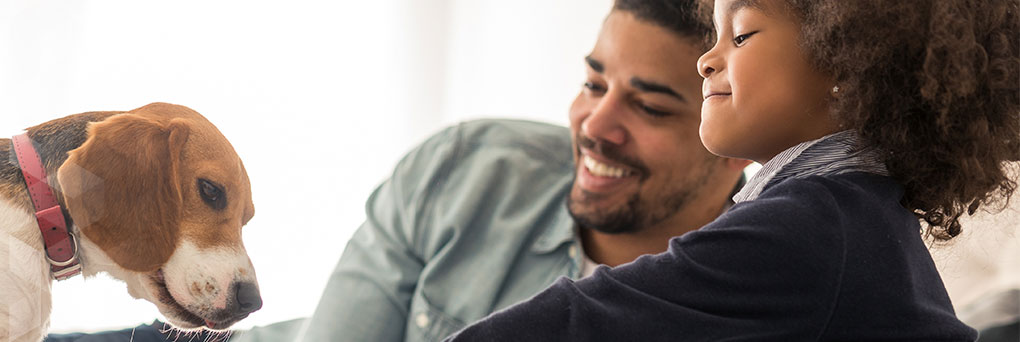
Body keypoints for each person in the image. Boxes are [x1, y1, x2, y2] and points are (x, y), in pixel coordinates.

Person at [46, 0, 747, 341]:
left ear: (732, 135)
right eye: (594, 84)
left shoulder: (763, 284)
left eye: (650, 107)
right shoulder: (467, 167)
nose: (595, 125)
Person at [443, 0, 1019, 340]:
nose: (706, 58)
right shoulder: (854, 216)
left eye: (740, 34)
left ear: (845, 58)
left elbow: (576, 324)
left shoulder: (809, 232)